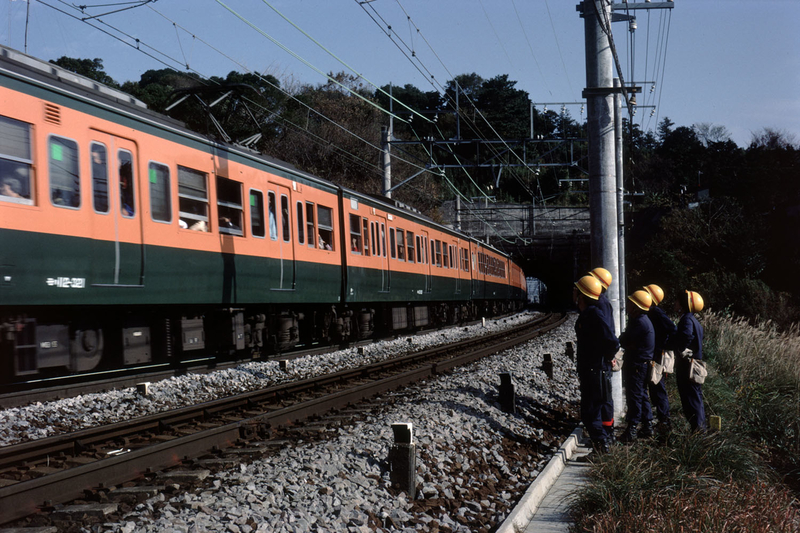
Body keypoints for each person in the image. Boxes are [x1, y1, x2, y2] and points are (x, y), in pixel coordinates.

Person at [574, 275, 620, 454]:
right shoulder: (589, 313)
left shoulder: (594, 314)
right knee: (590, 410)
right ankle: (600, 446)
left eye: (576, 291)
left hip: (595, 370)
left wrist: (606, 357)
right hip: (591, 370)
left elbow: (612, 342)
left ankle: (601, 448)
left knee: (590, 412)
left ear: (581, 296)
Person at [618, 290, 655, 442]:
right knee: (641, 395)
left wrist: (624, 339)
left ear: (636, 306)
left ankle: (632, 429)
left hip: (637, 365)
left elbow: (625, 340)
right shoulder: (643, 320)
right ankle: (647, 426)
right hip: (641, 364)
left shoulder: (639, 323)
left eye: (630, 303)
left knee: (634, 397)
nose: (627, 305)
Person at [669, 290, 706, 432]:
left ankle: (698, 431)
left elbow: (686, 336)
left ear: (684, 304)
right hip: (694, 365)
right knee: (695, 398)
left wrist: (680, 348)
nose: (675, 303)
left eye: (678, 301)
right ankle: (699, 429)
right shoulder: (693, 320)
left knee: (691, 399)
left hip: (687, 367)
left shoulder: (686, 320)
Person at [643, 284, 677, 434]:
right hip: (654, 353)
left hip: (657, 355)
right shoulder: (652, 312)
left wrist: (664, 345)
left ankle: (664, 420)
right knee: (655, 387)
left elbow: (672, 329)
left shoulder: (656, 312)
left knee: (658, 387)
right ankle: (662, 418)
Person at [589, 267, 617, 442]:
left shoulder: (600, 304)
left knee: (602, 399)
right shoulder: (603, 303)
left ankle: (605, 435)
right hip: (603, 358)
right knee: (604, 397)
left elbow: (608, 336)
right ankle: (607, 432)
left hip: (601, 360)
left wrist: (608, 355)